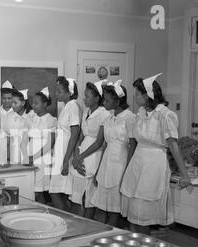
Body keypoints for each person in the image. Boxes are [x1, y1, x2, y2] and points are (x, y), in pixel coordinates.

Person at [120, 74, 191, 234]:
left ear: (148, 95)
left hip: (154, 165)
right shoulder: (140, 113)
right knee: (133, 212)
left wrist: (185, 175)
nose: (135, 97)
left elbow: (173, 145)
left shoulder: (164, 115)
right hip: (138, 163)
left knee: (144, 213)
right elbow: (135, 141)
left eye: (138, 94)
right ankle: (135, 246)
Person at [91, 80, 136, 227]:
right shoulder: (109, 117)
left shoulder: (129, 117)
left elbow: (132, 146)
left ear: (118, 101)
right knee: (103, 204)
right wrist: (98, 170)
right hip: (107, 162)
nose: (104, 102)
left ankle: (110, 234)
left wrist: (127, 172)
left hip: (121, 162)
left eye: (107, 100)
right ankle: (101, 234)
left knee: (116, 205)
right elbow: (104, 145)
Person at [70, 80, 110, 219]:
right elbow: (80, 136)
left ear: (97, 98)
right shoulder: (86, 111)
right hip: (81, 152)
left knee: (89, 196)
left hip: (94, 155)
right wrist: (76, 156)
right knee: (77, 194)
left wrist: (80, 158)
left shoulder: (104, 114)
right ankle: (77, 222)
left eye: (87, 96)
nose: (84, 98)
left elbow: (99, 142)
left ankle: (88, 224)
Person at [49, 78, 81, 212]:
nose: (57, 94)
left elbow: (75, 134)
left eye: (60, 91)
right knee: (58, 192)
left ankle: (66, 220)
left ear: (69, 93)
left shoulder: (73, 106)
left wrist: (66, 160)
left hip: (65, 153)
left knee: (55, 192)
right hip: (60, 152)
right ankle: (66, 219)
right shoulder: (66, 106)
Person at [28, 91, 57, 204]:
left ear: (45, 104)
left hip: (41, 159)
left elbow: (50, 143)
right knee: (31, 190)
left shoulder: (51, 120)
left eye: (36, 103)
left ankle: (43, 215)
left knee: (37, 192)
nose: (33, 105)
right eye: (32, 103)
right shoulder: (33, 118)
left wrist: (33, 157)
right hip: (30, 157)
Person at [3, 89, 34, 164]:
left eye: (15, 103)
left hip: (29, 151)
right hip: (13, 151)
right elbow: (6, 135)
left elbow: (33, 136)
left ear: (23, 103)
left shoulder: (32, 115)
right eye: (11, 103)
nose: (12, 105)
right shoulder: (9, 116)